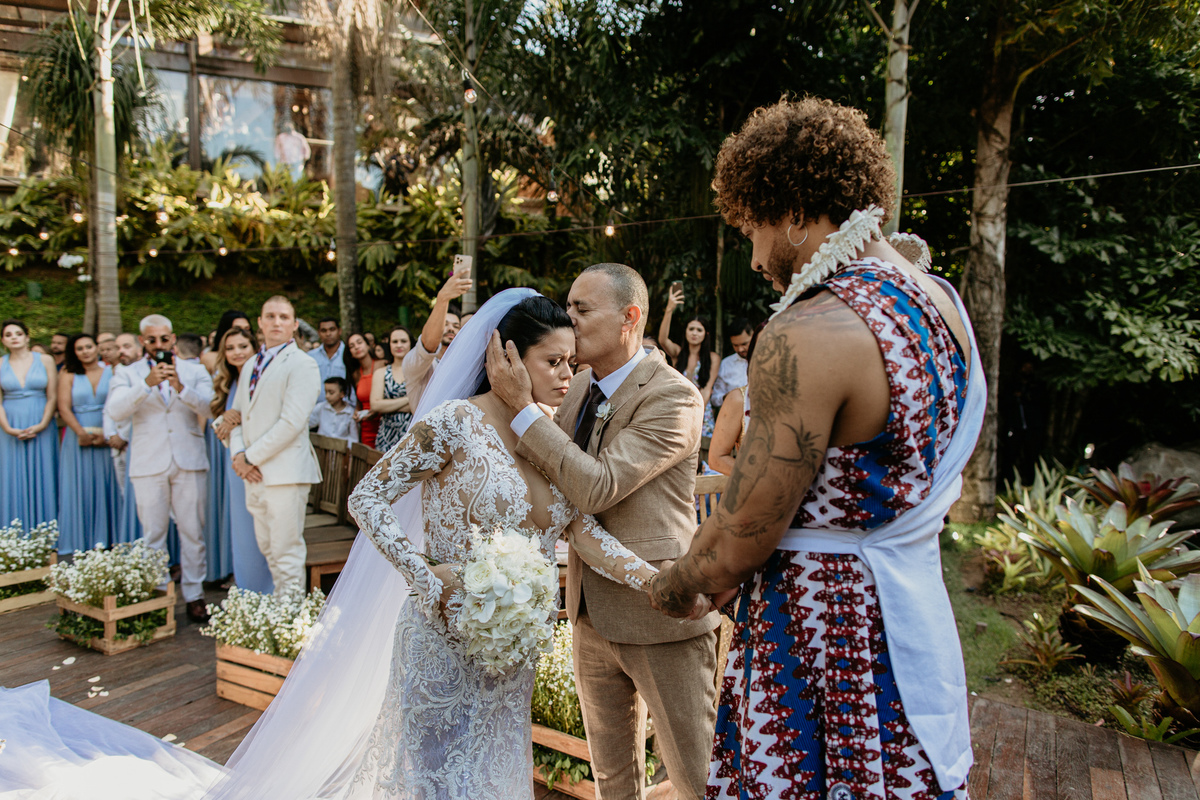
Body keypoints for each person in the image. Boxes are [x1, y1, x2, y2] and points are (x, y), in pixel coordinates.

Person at [647, 97, 984, 800]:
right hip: (909, 623)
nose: (756, 255)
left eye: (752, 227)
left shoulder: (811, 331)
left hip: (821, 643)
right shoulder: (941, 305)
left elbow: (736, 546)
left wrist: (671, 586)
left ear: (795, 212)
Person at [486, 264, 720, 800]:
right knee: (612, 778)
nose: (568, 319)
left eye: (582, 309)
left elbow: (598, 486)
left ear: (630, 318)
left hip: (659, 611)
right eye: (567, 306)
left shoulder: (674, 397)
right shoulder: (582, 384)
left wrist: (524, 408)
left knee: (694, 774)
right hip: (588, 608)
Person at [108, 313, 213, 624]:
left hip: (189, 459)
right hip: (148, 462)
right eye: (151, 340)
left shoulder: (194, 370)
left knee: (193, 531)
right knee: (153, 533)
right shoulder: (127, 374)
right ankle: (157, 597)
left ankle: (194, 595)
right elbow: (115, 411)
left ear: (172, 339)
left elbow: (211, 407)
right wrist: (146, 384)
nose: (158, 345)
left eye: (164, 339)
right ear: (143, 342)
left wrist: (181, 387)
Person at [229, 296, 322, 595]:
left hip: (285, 473)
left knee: (286, 552)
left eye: (283, 317)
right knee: (268, 549)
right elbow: (237, 416)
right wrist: (237, 455)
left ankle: (293, 627)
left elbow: (292, 423)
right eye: (270, 316)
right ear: (260, 322)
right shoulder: (250, 365)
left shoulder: (303, 364)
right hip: (253, 472)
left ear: (294, 324)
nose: (276, 322)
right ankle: (278, 617)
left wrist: (250, 457)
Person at [211, 327, 273, 595]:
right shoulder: (227, 381)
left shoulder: (261, 376)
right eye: (230, 348)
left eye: (242, 347)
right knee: (242, 527)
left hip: (259, 457)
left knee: (262, 528)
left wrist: (232, 417)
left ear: (254, 348)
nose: (237, 353)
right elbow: (220, 419)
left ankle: (267, 591)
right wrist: (224, 419)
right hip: (234, 458)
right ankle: (247, 589)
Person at [56, 333, 121, 552]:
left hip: (106, 438)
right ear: (74, 352)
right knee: (78, 487)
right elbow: (64, 407)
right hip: (78, 438)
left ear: (97, 348)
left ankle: (110, 540)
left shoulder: (112, 371)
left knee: (107, 485)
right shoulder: (68, 374)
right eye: (80, 348)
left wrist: (108, 434)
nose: (85, 351)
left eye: (89, 346)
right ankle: (79, 543)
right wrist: (80, 433)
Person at [0, 319, 58, 527]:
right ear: (3, 340)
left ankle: (47, 529)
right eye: (8, 335)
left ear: (27, 337)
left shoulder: (45, 360)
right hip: (10, 424)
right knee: (11, 477)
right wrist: (8, 428)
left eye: (18, 333)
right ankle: (12, 532)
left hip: (41, 421)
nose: (13, 337)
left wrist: (42, 424)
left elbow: (52, 396)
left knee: (45, 475)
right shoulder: (0, 363)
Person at [402, 270, 472, 411]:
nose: (451, 329)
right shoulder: (416, 363)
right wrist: (443, 298)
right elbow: (429, 345)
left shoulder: (465, 365)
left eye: (456, 326)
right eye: (444, 324)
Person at [658, 293, 720, 439]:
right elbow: (662, 340)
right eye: (691, 329)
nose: (694, 333)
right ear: (685, 331)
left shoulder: (713, 358)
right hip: (677, 412)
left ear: (706, 334)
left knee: (703, 456)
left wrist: (692, 415)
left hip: (701, 413)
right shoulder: (678, 354)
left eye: (699, 330)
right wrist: (669, 309)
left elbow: (706, 390)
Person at [370, 325, 413, 453]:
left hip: (411, 434)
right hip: (386, 435)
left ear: (411, 344)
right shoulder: (381, 372)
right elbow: (375, 405)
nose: (399, 345)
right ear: (389, 345)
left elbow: (418, 406)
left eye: (403, 341)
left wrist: (388, 406)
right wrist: (408, 399)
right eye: (395, 342)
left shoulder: (419, 372)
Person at [344, 332, 382, 448]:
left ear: (368, 345)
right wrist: (356, 412)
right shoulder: (355, 374)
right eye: (352, 346)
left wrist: (376, 409)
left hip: (383, 422)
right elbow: (359, 402)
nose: (356, 347)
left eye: (359, 342)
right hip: (366, 426)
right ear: (350, 353)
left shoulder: (383, 365)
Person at [709, 316, 753, 412]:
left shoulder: (766, 360)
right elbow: (715, 398)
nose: (740, 349)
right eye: (735, 345)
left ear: (753, 336)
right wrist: (728, 397)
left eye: (744, 344)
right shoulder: (726, 364)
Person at [309, 376, 358, 444]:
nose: (327, 396)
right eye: (326, 392)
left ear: (342, 394)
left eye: (331, 393)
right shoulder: (321, 408)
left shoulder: (350, 412)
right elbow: (308, 423)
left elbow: (354, 438)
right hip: (322, 448)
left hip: (341, 451)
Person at [310, 317, 348, 399]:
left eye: (332, 329)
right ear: (319, 333)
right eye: (324, 331)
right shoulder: (310, 357)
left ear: (339, 331)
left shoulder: (348, 354)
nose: (328, 334)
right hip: (316, 408)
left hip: (344, 408)